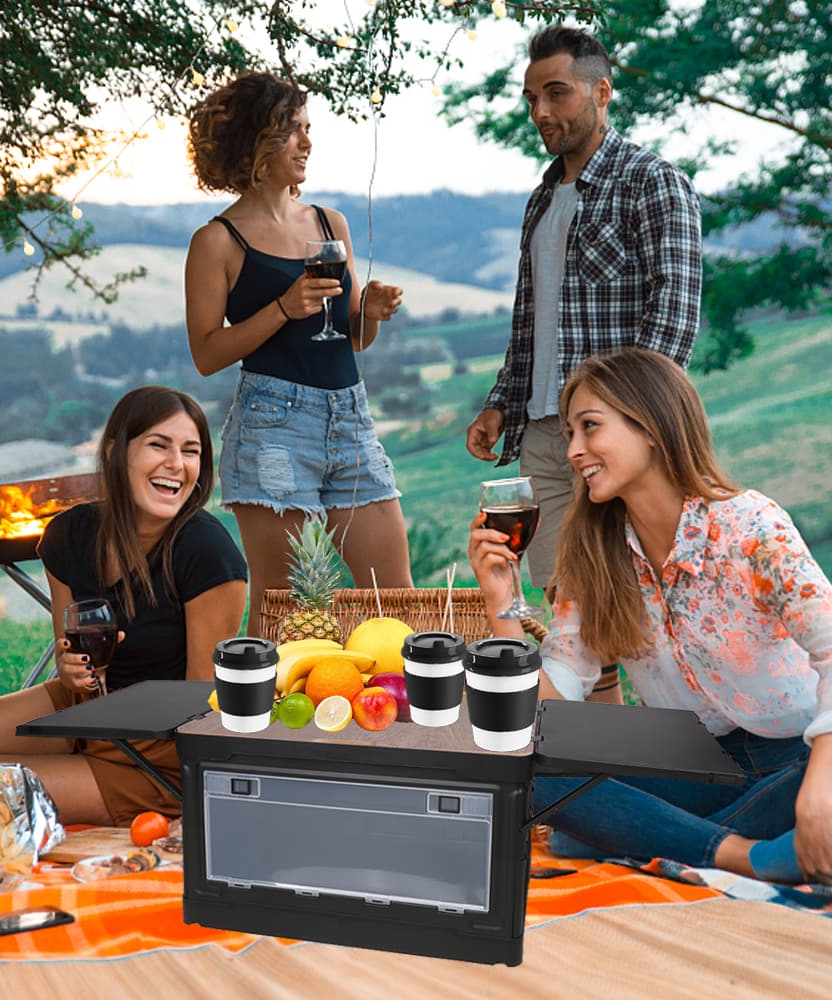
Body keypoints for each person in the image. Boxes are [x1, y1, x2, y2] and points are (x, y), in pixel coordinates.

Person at [468, 348, 832, 884]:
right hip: (693, 762)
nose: (573, 451)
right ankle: (742, 854)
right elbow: (544, 719)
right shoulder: (594, 555)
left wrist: (821, 784)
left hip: (802, 755)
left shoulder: (750, 527)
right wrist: (502, 603)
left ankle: (644, 834)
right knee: (524, 762)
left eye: (590, 427)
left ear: (652, 427)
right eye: (570, 433)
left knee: (580, 827)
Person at [0, 386, 247, 826]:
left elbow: (203, 707)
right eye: (159, 445)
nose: (176, 464)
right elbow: (71, 665)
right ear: (116, 452)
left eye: (191, 451)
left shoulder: (207, 552)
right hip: (83, 710)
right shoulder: (69, 536)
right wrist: (74, 673)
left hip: (159, 757)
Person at [465, 25, 702, 595]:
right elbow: (531, 323)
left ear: (601, 93)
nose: (540, 112)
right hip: (543, 435)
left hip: (618, 437)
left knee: (635, 599)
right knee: (565, 606)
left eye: (557, 93)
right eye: (532, 99)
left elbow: (674, 315)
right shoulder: (542, 200)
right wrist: (501, 403)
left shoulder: (652, 182)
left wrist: (628, 420)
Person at [184, 71, 412, 636]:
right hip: (272, 431)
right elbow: (206, 353)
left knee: (395, 597)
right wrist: (283, 309)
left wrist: (371, 312)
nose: (307, 142)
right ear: (254, 141)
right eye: (292, 130)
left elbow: (352, 336)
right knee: (284, 609)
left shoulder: (329, 223)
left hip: (350, 420)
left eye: (308, 129)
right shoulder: (217, 241)